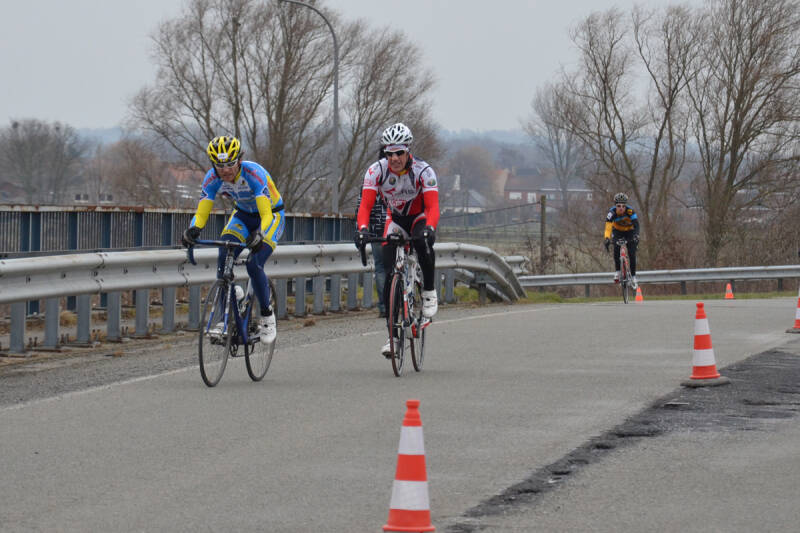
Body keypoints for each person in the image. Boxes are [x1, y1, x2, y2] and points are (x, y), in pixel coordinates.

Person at [181, 135, 285, 344]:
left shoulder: (254, 174)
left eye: (230, 163)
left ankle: (267, 315)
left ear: (239, 160)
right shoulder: (212, 179)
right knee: (223, 254)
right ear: (213, 164)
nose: (225, 170)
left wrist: (260, 235)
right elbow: (202, 212)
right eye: (220, 165)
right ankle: (225, 314)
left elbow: (265, 215)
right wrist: (193, 229)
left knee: (253, 264)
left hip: (270, 216)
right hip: (243, 216)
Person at [354, 123, 439, 358]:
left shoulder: (424, 171)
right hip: (397, 220)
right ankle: (392, 338)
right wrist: (362, 228)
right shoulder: (376, 171)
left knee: (422, 243)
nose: (394, 158)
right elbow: (365, 205)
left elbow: (433, 207)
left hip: (419, 217)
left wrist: (430, 228)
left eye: (399, 153)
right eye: (390, 153)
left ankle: (429, 291)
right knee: (391, 276)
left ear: (408, 151)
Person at [357, 153, 388, 318]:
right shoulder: (398, 178)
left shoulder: (371, 177)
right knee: (395, 265)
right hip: (396, 229)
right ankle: (400, 299)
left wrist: (361, 230)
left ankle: (384, 306)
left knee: (381, 269)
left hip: (376, 231)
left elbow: (360, 206)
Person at [604, 192, 639, 289]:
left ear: (626, 206)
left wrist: (636, 236)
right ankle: (618, 272)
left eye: (623, 206)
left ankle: (634, 277)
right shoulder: (611, 213)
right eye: (618, 206)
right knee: (616, 248)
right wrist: (606, 238)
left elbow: (636, 225)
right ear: (615, 206)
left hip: (630, 231)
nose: (621, 208)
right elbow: (607, 228)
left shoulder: (630, 211)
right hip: (618, 231)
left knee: (632, 254)